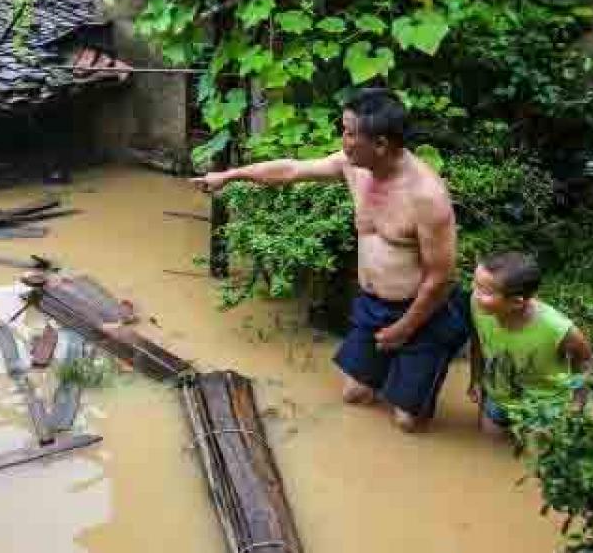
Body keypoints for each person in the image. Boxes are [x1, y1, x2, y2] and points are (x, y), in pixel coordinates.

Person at [192, 88, 469, 431]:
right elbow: (292, 170)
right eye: (344, 130)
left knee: (407, 423)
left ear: (381, 144)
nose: (344, 141)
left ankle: (414, 377)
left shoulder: (426, 197)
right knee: (355, 396)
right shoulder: (355, 167)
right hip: (373, 304)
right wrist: (230, 176)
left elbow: (440, 279)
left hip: (422, 313)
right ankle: (397, 372)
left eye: (351, 133)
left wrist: (404, 329)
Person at [467, 251, 592, 439]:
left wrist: (576, 405)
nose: (475, 294)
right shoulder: (479, 307)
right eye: (475, 284)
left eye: (485, 291)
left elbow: (584, 361)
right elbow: (477, 341)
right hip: (497, 400)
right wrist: (475, 379)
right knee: (487, 449)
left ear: (516, 302)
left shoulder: (557, 328)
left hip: (545, 409)